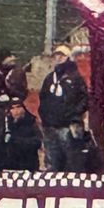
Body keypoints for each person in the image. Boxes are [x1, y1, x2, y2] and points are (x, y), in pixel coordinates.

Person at [38, 42, 89, 170]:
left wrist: (73, 116)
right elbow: (43, 99)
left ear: (68, 57)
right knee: (52, 163)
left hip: (68, 126)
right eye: (57, 55)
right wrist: (45, 118)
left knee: (71, 161)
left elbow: (85, 100)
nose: (59, 58)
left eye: (62, 55)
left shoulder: (76, 78)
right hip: (50, 127)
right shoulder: (50, 78)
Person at [0, 97, 44, 171]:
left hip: (27, 166)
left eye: (18, 107)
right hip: (8, 166)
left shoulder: (31, 122)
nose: (16, 111)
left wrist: (17, 141)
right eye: (13, 108)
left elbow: (38, 142)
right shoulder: (6, 124)